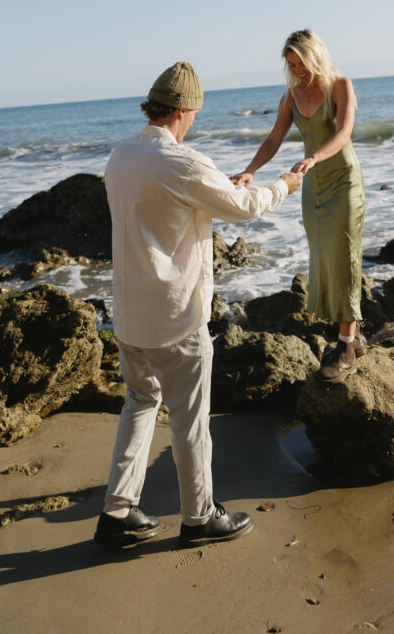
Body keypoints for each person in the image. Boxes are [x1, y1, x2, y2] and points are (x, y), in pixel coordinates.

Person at [94, 61, 302, 550]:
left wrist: (225, 191)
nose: (194, 121)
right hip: (175, 313)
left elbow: (164, 208)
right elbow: (246, 210)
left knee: (140, 404)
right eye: (195, 113)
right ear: (186, 110)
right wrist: (285, 185)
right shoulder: (183, 161)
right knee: (189, 417)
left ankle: (117, 512)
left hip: (128, 312)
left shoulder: (120, 157)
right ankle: (199, 517)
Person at [231, 30, 365, 383]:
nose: (296, 71)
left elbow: (344, 133)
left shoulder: (341, 85)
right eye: (290, 65)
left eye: (300, 63)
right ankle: (352, 336)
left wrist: (313, 157)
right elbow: (275, 138)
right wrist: (250, 170)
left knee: (344, 258)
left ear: (315, 56)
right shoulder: (291, 95)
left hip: (343, 181)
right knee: (324, 260)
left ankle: (347, 349)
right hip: (313, 186)